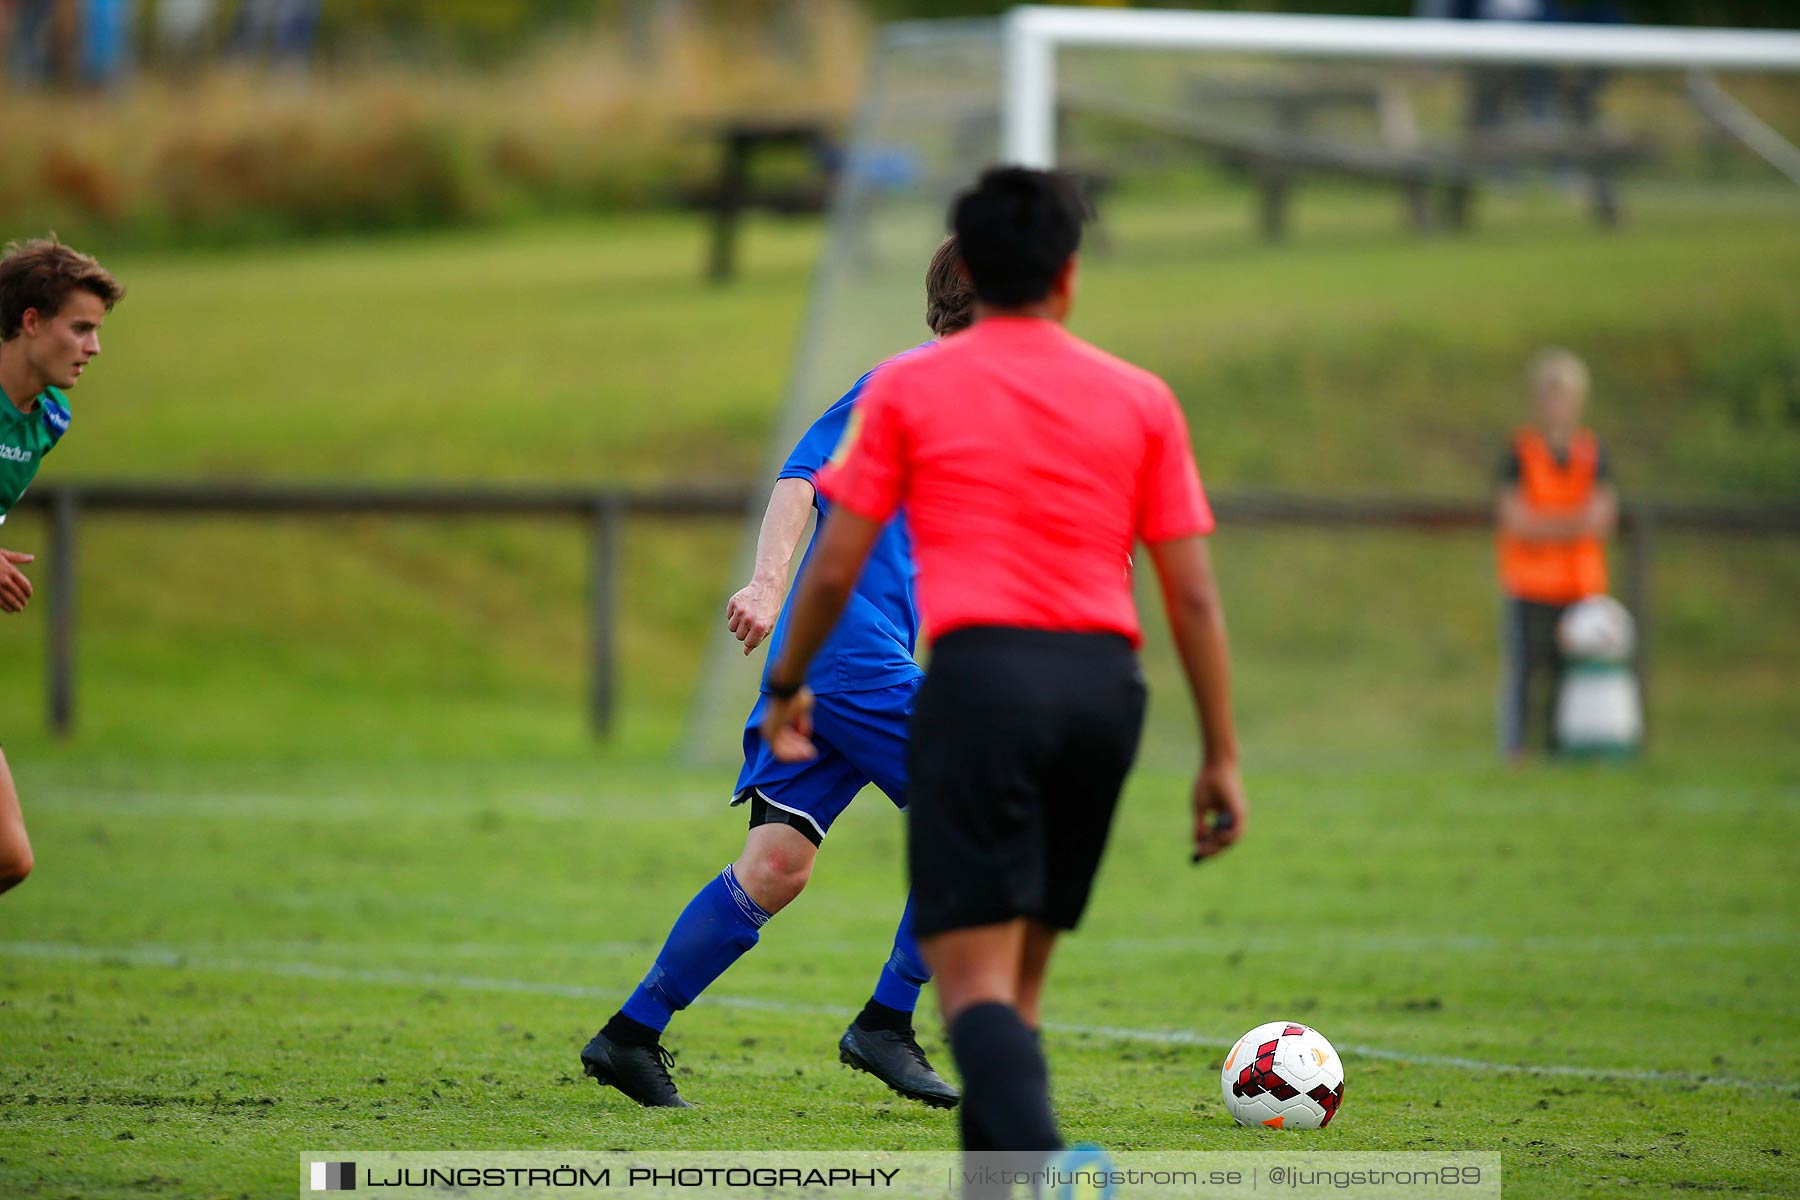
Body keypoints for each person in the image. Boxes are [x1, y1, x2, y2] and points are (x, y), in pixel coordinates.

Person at [758, 167, 1247, 1160]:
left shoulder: (910, 386)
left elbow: (834, 559)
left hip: (983, 686)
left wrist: (784, 680)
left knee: (975, 988)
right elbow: (1192, 596)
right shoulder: (1141, 398)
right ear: (1068, 279)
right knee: (1019, 987)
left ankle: (1051, 1170)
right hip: (1107, 695)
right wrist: (1221, 753)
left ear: (967, 268)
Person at [579, 237, 974, 1110]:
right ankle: (885, 1021)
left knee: (775, 865)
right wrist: (765, 581)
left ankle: (629, 1035)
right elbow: (801, 480)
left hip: (850, 656)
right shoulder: (904, 385)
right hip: (844, 648)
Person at [0, 235, 125, 896]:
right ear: (30, 322)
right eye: (81, 328)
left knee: (10, 857)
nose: (94, 347)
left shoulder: (48, 418)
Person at [1495, 346, 1617, 761]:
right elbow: (1517, 520)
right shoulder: (1521, 450)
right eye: (1549, 394)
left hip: (1580, 583)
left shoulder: (1592, 452)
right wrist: (1572, 522)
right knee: (1527, 671)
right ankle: (1517, 751)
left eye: (1563, 395)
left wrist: (1545, 522)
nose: (1556, 404)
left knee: (1572, 676)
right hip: (1529, 581)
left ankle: (1562, 748)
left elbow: (1601, 517)